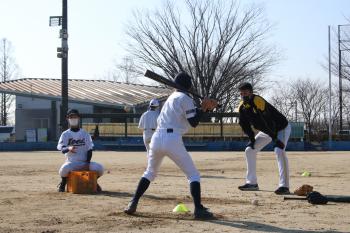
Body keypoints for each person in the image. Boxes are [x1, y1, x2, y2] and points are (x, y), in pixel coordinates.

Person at [124, 72, 217, 219]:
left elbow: (190, 117)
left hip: (156, 138)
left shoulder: (171, 98)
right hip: (172, 138)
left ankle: (133, 202)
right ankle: (198, 209)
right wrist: (204, 108)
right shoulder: (185, 98)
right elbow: (193, 122)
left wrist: (204, 108)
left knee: (149, 172)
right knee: (193, 175)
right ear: (190, 85)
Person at [237, 82, 291, 195]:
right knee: (250, 150)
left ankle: (284, 186)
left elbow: (268, 121)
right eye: (241, 94)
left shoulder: (258, 100)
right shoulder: (242, 106)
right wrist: (252, 140)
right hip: (267, 131)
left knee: (279, 150)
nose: (243, 96)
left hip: (281, 128)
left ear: (251, 92)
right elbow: (245, 125)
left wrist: (275, 139)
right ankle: (252, 183)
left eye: (245, 93)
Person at [57, 109, 104, 192]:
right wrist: (68, 148)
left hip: (84, 162)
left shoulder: (85, 133)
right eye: (71, 117)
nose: (73, 118)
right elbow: (61, 148)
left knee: (100, 168)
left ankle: (93, 181)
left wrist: (87, 163)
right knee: (63, 170)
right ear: (67, 118)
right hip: (71, 163)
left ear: (79, 118)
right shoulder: (65, 134)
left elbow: (89, 149)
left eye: (75, 116)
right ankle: (63, 183)